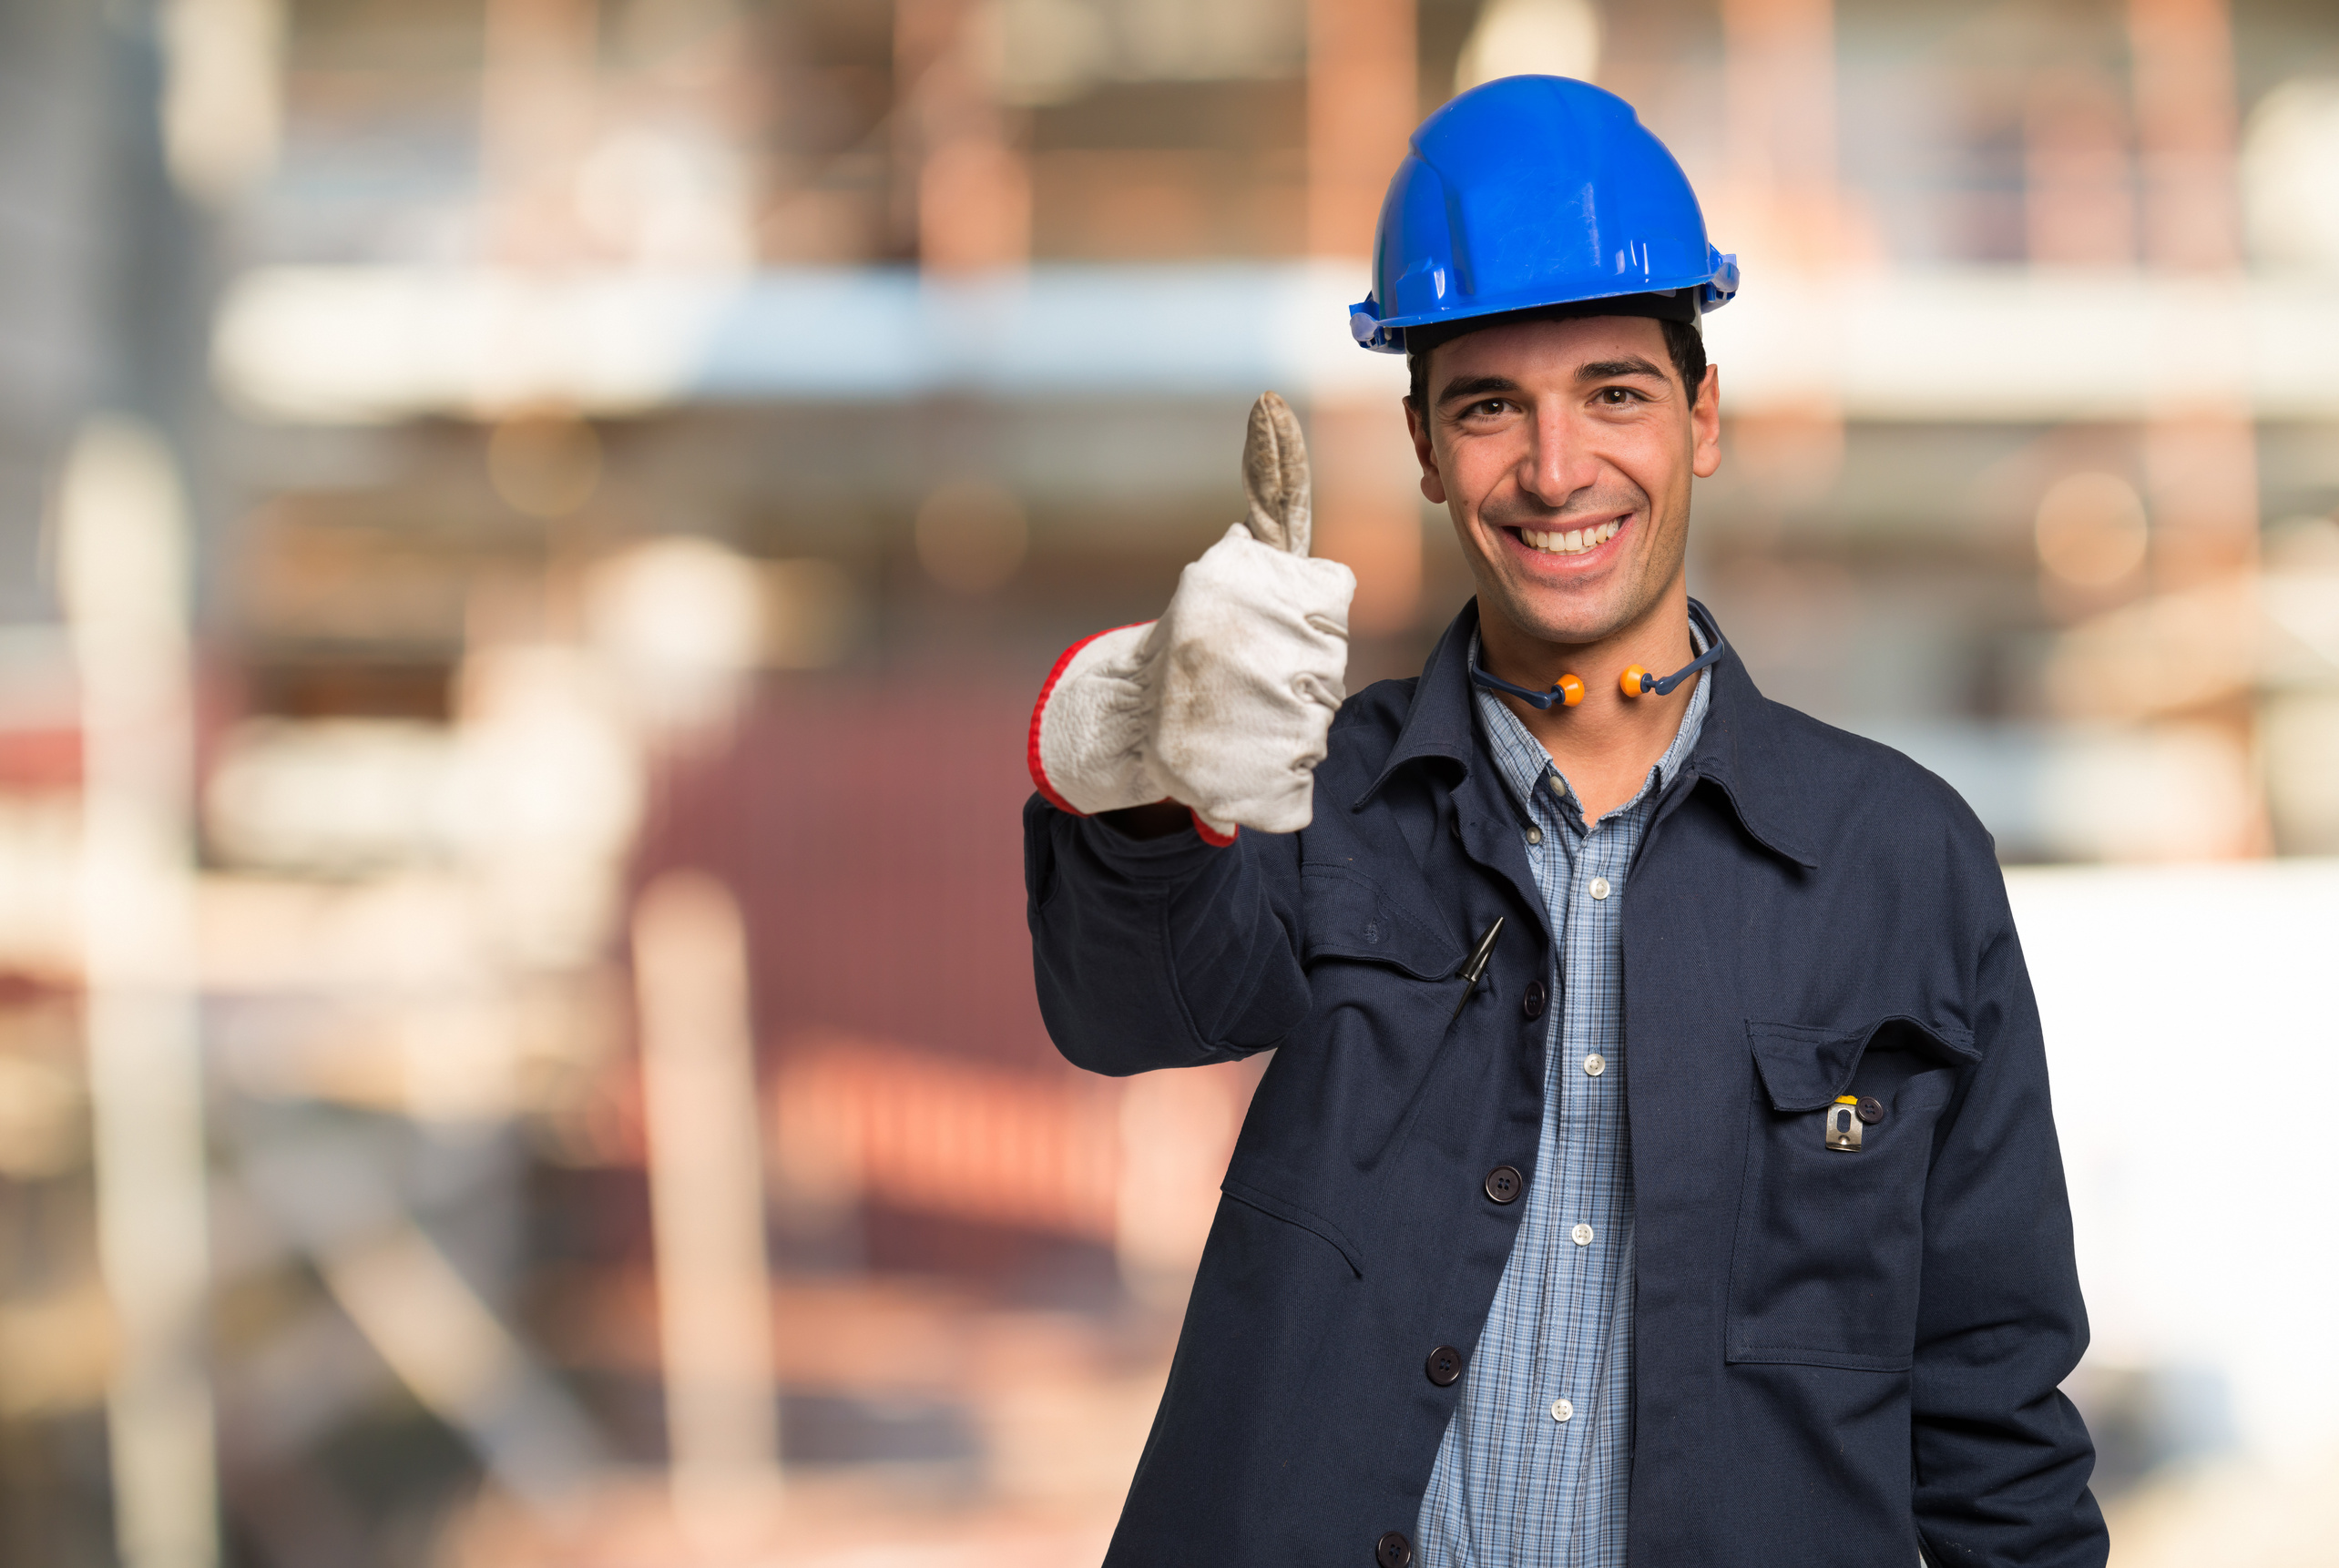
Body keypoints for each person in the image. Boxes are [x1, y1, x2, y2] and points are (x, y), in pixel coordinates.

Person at [1023, 76, 2105, 1567]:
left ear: (1702, 414)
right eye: (1487, 407)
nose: (1554, 469)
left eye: (1614, 391)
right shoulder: (1318, 792)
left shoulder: (1897, 864)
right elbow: (1127, 1003)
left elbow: (1992, 1410)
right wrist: (1129, 753)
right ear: (1421, 450)